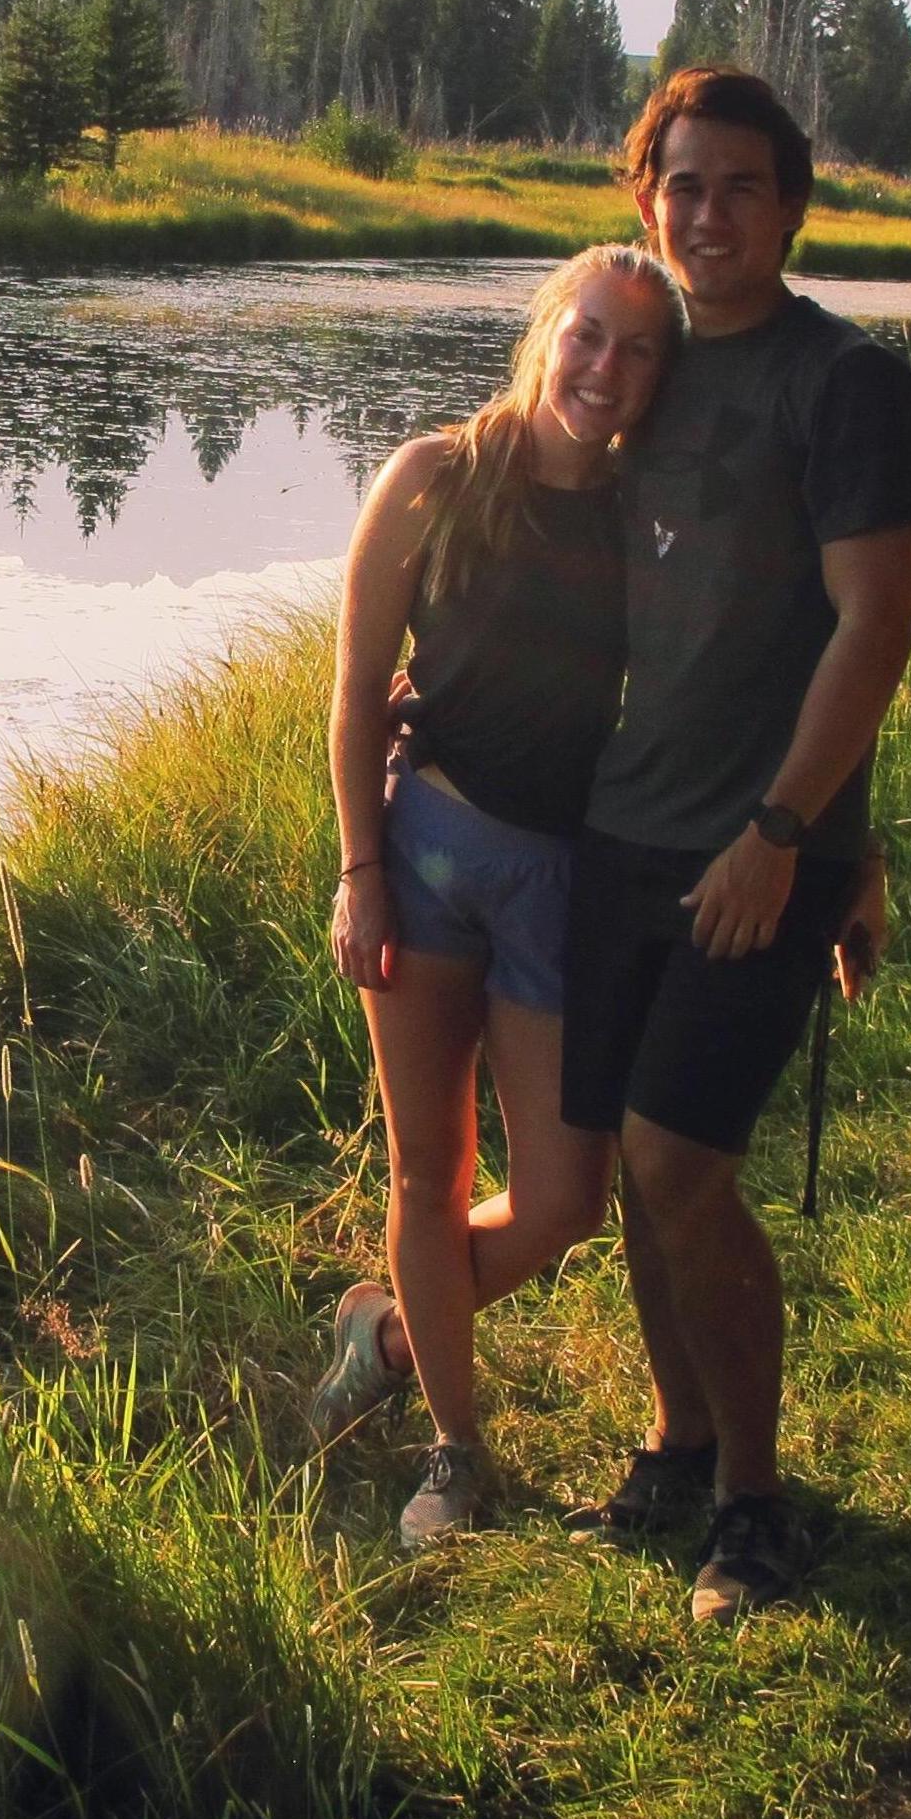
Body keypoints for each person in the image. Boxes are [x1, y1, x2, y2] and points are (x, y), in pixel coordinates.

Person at [561, 66, 911, 1625]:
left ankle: (757, 1505)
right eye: (683, 184)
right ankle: (679, 1439)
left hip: (752, 853)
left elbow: (876, 623)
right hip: (619, 835)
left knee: (676, 1164)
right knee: (639, 1178)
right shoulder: (641, 362)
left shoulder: (846, 385)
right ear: (646, 198)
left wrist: (800, 837)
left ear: (791, 204)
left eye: (742, 187)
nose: (709, 215)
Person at [314, 242, 686, 1549]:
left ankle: (392, 1328)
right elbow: (358, 694)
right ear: (548, 330)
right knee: (431, 1175)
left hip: (561, 879)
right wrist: (361, 874)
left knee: (565, 1198)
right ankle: (455, 1451)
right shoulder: (437, 476)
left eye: (640, 349)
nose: (607, 366)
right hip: (425, 859)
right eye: (591, 334)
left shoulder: (650, 513)